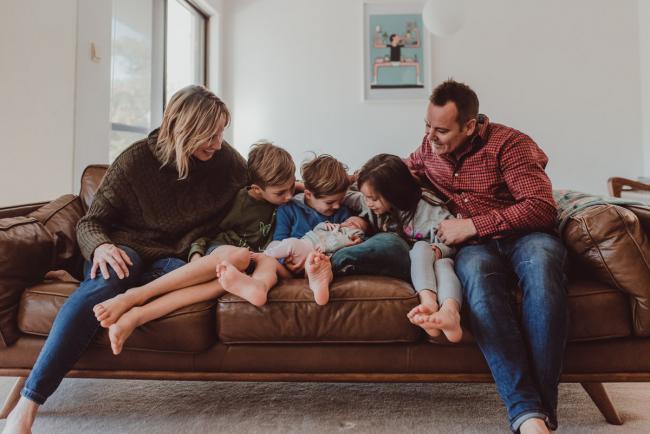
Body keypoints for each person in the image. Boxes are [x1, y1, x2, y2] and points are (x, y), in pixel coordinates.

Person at [3, 85, 248, 434]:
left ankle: (131, 309)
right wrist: (100, 247)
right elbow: (91, 222)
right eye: (210, 134)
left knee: (201, 275)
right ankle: (29, 403)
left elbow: (266, 183)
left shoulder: (225, 162)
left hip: (171, 260)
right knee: (107, 281)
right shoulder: (136, 161)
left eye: (222, 132)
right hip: (124, 248)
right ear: (183, 128)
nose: (219, 143)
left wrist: (326, 189)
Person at [404, 79, 568, 434]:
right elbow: (401, 168)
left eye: (442, 130)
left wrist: (473, 225)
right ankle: (529, 416)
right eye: (427, 126)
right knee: (477, 284)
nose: (431, 137)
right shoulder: (429, 148)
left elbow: (541, 208)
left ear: (470, 125)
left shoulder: (510, 145)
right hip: (477, 251)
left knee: (541, 271)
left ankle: (537, 411)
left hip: (528, 237)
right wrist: (329, 186)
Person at [92, 142, 296, 355]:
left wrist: (296, 188)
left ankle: (137, 316)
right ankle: (134, 296)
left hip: (241, 267)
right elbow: (207, 228)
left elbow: (294, 189)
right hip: (221, 251)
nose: (289, 196)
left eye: (292, 188)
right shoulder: (240, 201)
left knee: (222, 284)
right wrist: (197, 252)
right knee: (241, 257)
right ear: (256, 189)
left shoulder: (284, 201)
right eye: (281, 192)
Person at [350, 154, 463, 342]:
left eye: (373, 198)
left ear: (395, 193)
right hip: (410, 262)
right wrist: (299, 186)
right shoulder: (368, 201)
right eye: (365, 197)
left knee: (440, 262)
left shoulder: (428, 209)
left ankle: (448, 311)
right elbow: (338, 195)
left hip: (435, 255)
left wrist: (438, 250)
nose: (368, 203)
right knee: (421, 249)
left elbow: (454, 240)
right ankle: (433, 306)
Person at [272, 154, 353, 305]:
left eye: (340, 200)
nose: (336, 206)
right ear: (308, 194)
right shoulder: (288, 210)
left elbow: (345, 240)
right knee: (269, 260)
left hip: (323, 260)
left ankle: (318, 276)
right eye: (330, 202)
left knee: (332, 260)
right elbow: (279, 241)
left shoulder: (342, 213)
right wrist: (285, 261)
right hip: (292, 263)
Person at [264, 215, 368, 266]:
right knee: (275, 243)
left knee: (291, 243)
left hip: (312, 250)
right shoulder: (334, 226)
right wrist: (324, 224)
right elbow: (316, 229)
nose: (349, 223)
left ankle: (265, 255)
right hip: (303, 246)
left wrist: (325, 247)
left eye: (355, 224)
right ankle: (271, 257)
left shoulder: (349, 235)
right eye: (347, 221)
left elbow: (340, 243)